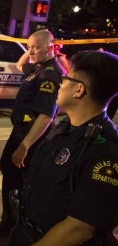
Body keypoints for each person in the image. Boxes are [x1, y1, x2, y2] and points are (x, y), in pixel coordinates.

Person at [8, 50, 118, 246]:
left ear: (79, 90)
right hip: (25, 230)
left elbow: (79, 228)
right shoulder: (65, 126)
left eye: (66, 78)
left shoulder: (105, 150)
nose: (60, 82)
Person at [0, 29, 62, 238]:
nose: (31, 51)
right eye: (29, 47)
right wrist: (32, 48)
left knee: (19, 180)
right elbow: (20, 64)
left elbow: (46, 116)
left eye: (36, 47)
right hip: (21, 130)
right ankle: (10, 222)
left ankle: (15, 227)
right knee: (10, 173)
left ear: (51, 47)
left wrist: (25, 145)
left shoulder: (49, 74)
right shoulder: (38, 67)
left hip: (31, 135)